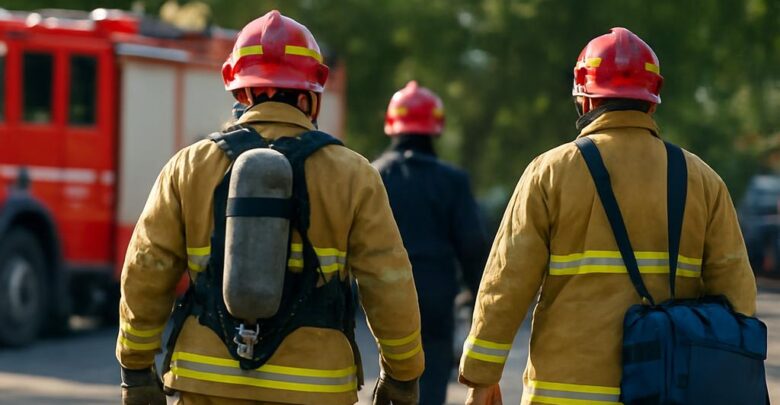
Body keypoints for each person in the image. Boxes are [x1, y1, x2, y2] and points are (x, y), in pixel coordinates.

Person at [116, 10, 423, 405]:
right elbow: (388, 280)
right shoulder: (354, 175)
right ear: (311, 94)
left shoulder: (189, 166)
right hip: (315, 388)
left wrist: (136, 368)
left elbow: (147, 269)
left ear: (239, 91)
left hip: (207, 382)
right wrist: (402, 374)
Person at [458, 27, 757, 405]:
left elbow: (506, 282)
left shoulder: (550, 172)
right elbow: (737, 297)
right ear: (652, 103)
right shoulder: (703, 180)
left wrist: (482, 376)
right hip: (669, 392)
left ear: (584, 100)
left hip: (563, 394)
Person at [373, 81, 489, 405]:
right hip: (436, 301)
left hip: (383, 299)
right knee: (431, 382)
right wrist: (477, 297)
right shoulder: (452, 181)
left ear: (392, 124)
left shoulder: (373, 176)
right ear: (435, 127)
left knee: (388, 380)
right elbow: (472, 244)